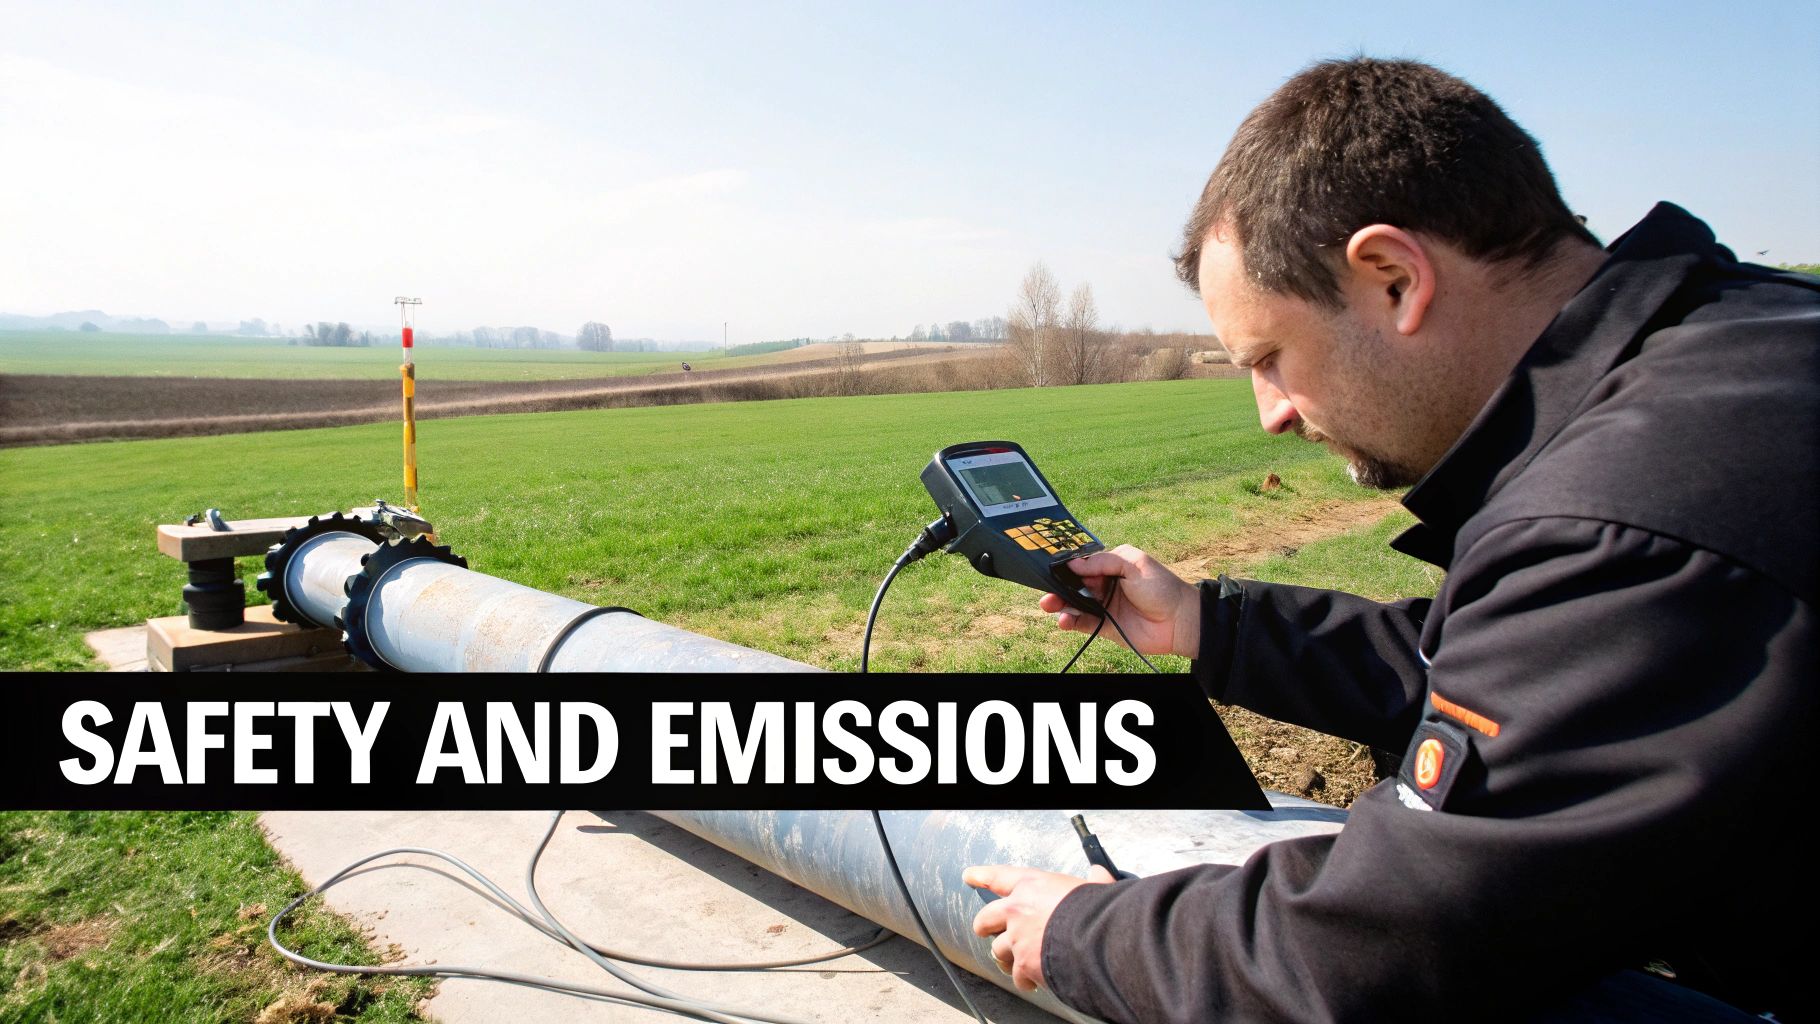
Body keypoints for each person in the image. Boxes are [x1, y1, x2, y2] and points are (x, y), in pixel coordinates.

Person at [965, 57, 1816, 1022]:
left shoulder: (1631, 510)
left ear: (1395, 278)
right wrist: (1209, 624)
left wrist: (1081, 930)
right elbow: (1515, 674)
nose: (1272, 414)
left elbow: (1384, 950)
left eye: (1270, 357)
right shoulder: (1741, 345)